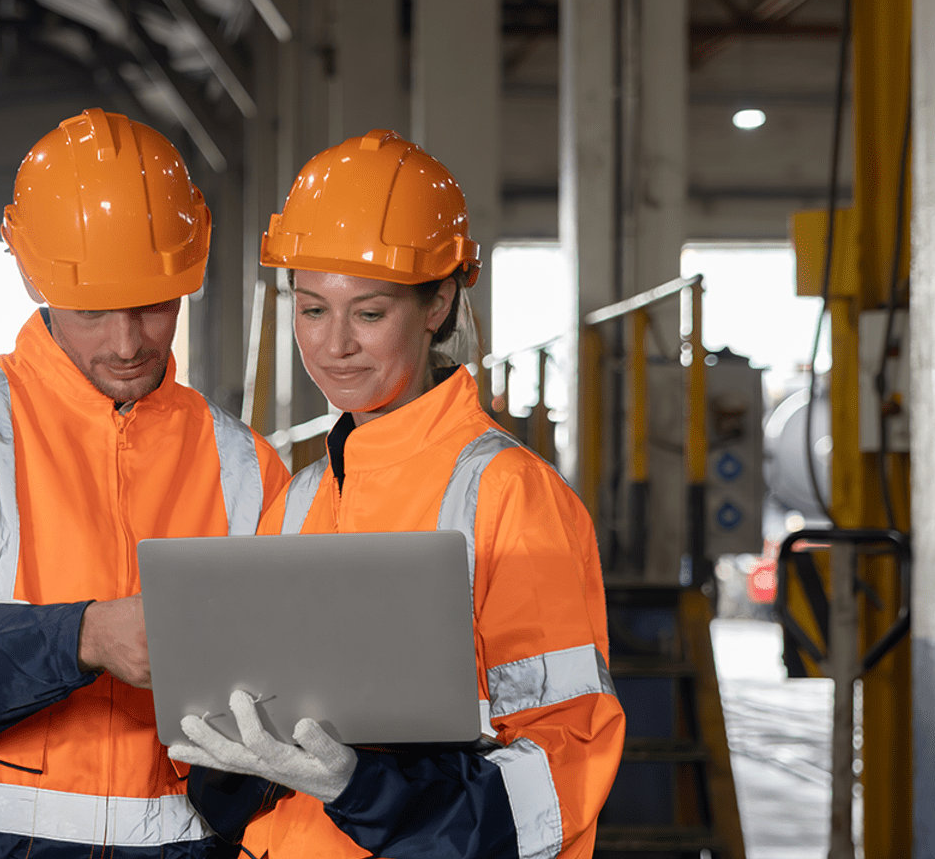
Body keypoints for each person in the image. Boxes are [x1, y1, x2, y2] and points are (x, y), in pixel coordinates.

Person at [0, 108, 290, 858]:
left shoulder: (243, 463)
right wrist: (83, 637)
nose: (127, 343)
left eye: (153, 305)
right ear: (29, 275)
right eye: (92, 311)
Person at [170, 129, 626, 859]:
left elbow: (564, 763)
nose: (333, 344)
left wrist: (364, 788)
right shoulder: (300, 499)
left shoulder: (509, 494)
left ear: (439, 302)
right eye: (312, 308)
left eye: (369, 313)